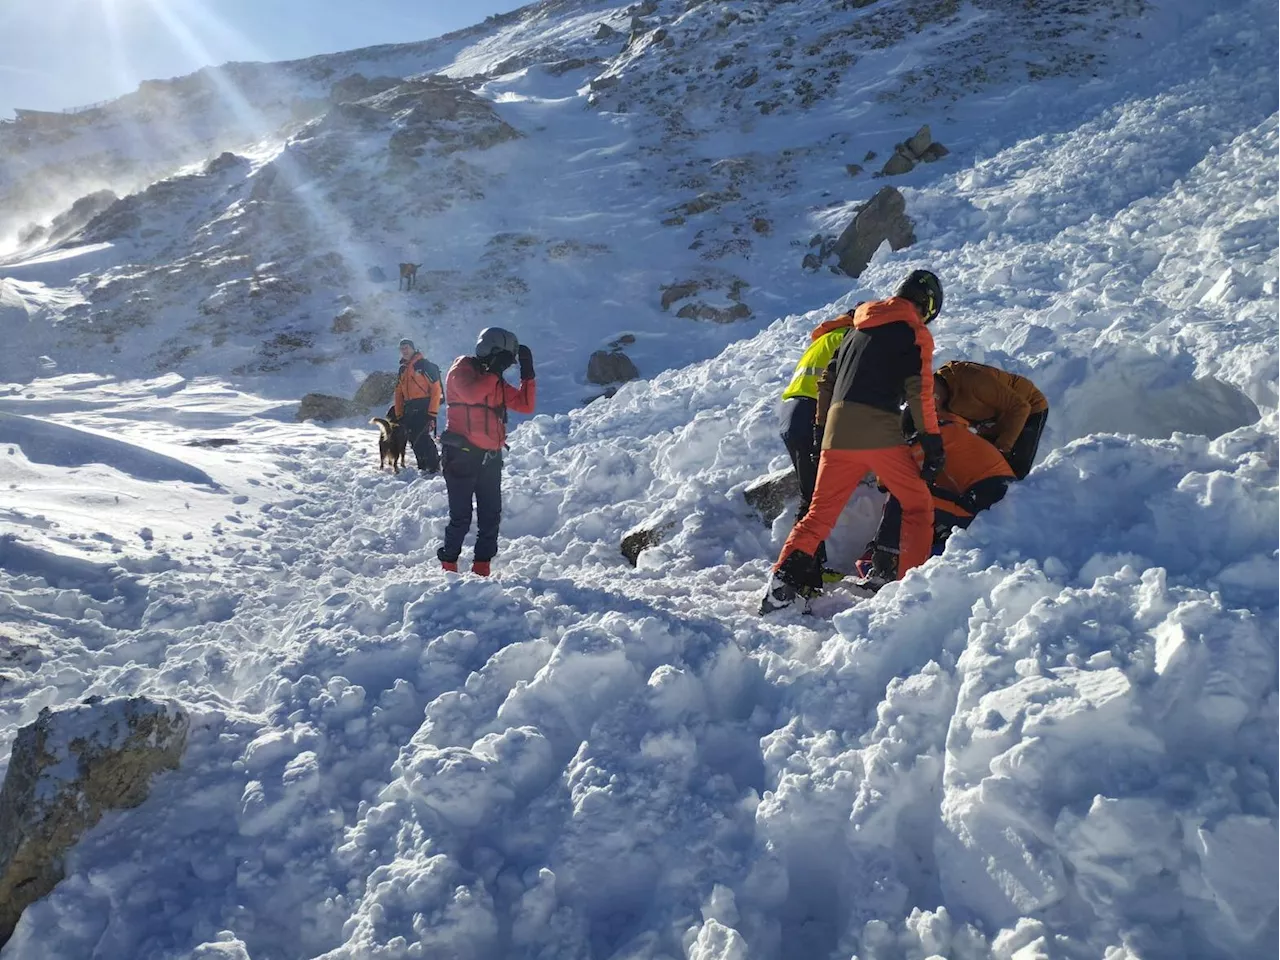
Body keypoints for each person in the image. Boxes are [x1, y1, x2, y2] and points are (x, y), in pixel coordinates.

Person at [760, 269, 946, 615]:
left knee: (818, 514)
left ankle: (782, 586)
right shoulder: (914, 331)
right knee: (917, 505)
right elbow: (919, 391)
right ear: (928, 306)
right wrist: (931, 441)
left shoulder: (857, 328)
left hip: (836, 431)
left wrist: (820, 431)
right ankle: (910, 591)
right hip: (878, 427)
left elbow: (827, 381)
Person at [854, 412, 1014, 590]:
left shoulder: (933, 440)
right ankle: (892, 559)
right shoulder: (951, 433)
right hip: (991, 505)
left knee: (904, 495)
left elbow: (886, 482)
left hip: (981, 507)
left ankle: (884, 568)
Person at [436, 327, 536, 577]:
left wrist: (528, 373)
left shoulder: (494, 380)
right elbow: (471, 395)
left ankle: (482, 568)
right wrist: (493, 371)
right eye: (505, 360)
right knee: (461, 516)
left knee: (491, 515)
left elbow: (525, 405)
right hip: (461, 454)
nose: (505, 366)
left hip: (490, 456)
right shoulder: (462, 368)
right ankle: (449, 567)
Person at [778, 311, 859, 568]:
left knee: (810, 494)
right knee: (814, 502)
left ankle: (812, 566)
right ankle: (797, 569)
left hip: (790, 413)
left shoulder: (826, 337)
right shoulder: (851, 336)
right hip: (812, 412)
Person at [934, 361, 1048, 480]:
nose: (933, 409)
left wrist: (1003, 447)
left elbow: (1021, 407)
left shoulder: (974, 380)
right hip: (995, 417)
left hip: (1028, 408)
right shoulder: (940, 399)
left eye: (932, 400)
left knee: (1014, 469)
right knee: (983, 466)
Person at [391, 338, 444, 474]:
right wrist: (399, 414)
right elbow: (398, 393)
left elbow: (436, 389)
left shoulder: (423, 365)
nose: (404, 350)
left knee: (422, 436)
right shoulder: (402, 369)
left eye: (407, 347)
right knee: (412, 437)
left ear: (413, 349)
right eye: (402, 348)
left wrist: (432, 413)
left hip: (424, 406)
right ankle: (422, 466)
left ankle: (433, 466)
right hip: (409, 407)